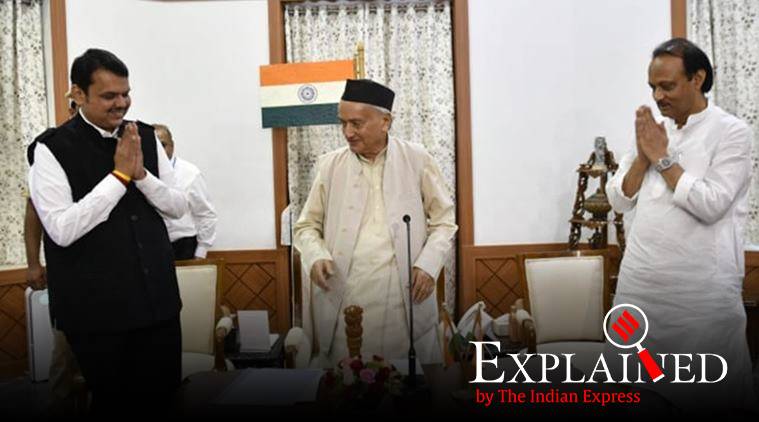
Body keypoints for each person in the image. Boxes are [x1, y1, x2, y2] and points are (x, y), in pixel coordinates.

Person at [29, 48, 187, 414]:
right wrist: (118, 178)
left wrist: (142, 176)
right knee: (116, 404)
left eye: (126, 94)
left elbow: (178, 207)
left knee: (165, 400)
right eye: (109, 96)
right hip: (96, 312)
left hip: (158, 303)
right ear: (78, 94)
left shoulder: (144, 136)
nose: (121, 104)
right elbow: (61, 229)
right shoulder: (50, 149)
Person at [606, 38, 756, 412]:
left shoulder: (732, 132)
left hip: (699, 303)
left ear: (697, 79)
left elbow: (711, 204)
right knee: (631, 394)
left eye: (667, 86)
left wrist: (661, 159)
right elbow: (619, 199)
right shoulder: (654, 131)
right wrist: (642, 158)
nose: (658, 96)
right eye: (653, 87)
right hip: (639, 291)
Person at [293, 79, 457, 366]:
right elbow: (306, 226)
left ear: (385, 122)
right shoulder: (330, 165)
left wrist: (429, 265)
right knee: (349, 381)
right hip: (346, 299)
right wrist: (315, 256)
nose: (348, 132)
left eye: (356, 123)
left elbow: (445, 221)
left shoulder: (417, 159)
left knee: (405, 382)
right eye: (343, 123)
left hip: (402, 299)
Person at [24, 94, 81, 415]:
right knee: (64, 357)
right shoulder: (48, 149)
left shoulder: (116, 144)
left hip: (113, 275)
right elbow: (33, 211)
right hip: (68, 272)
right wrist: (34, 263)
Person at [154, 123, 217, 260]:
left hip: (183, 246)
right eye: (154, 146)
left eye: (163, 145)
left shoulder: (190, 173)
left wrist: (201, 252)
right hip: (151, 247)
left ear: (172, 146)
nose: (158, 151)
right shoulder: (138, 174)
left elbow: (206, 214)